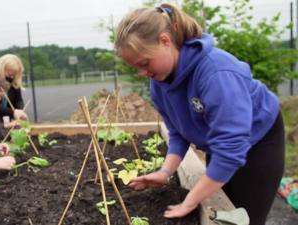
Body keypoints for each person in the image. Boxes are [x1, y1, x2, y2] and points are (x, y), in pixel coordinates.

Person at [114, 3, 284, 225]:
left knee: (244, 218)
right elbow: (177, 131)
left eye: (145, 63)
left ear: (165, 41)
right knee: (222, 210)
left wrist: (190, 201)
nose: (142, 72)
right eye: (136, 67)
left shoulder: (216, 72)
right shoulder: (159, 81)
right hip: (219, 142)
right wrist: (165, 173)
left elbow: (230, 146)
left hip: (259, 142)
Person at [0, 54, 28, 121]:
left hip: (8, 121)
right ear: (1, 69)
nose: (12, 77)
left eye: (14, 75)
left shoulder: (14, 82)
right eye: (10, 74)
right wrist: (13, 112)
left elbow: (18, 100)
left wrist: (20, 110)